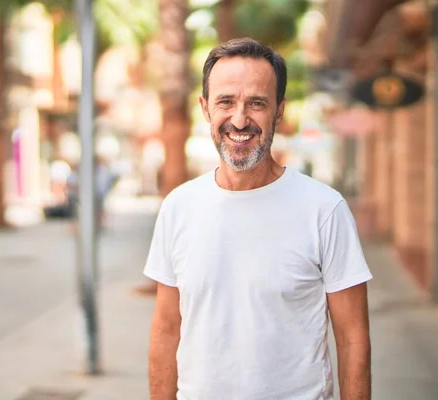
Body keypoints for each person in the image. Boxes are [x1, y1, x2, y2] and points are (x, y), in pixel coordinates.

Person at [144, 38, 372, 400]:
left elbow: (352, 336)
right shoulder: (178, 207)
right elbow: (167, 329)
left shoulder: (324, 209)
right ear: (205, 108)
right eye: (226, 101)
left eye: (256, 103)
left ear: (279, 111)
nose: (239, 119)